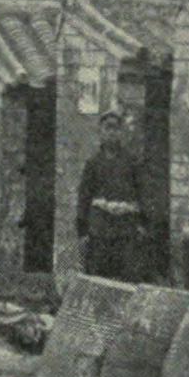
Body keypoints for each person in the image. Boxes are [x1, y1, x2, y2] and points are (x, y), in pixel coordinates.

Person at [75, 108, 148, 281]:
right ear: (101, 132)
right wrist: (82, 230)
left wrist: (143, 223)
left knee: (127, 277)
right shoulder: (93, 163)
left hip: (126, 228)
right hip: (100, 228)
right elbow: (84, 196)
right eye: (107, 128)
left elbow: (143, 192)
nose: (111, 133)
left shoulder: (132, 161)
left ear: (121, 132)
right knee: (98, 277)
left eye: (116, 129)